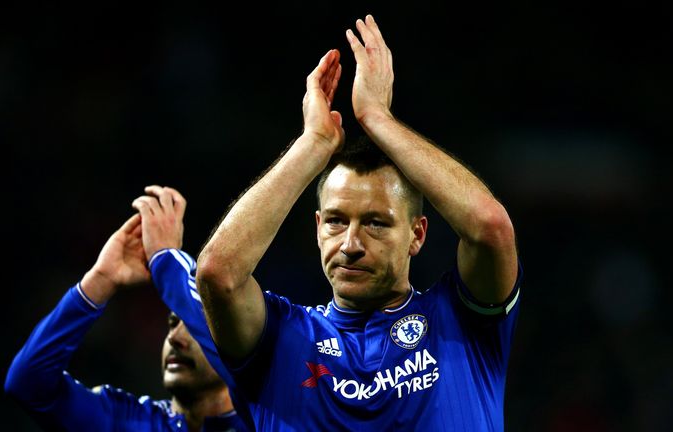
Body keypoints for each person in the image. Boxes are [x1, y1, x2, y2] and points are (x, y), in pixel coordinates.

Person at [194, 14, 523, 431]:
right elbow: (217, 273)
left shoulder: (461, 323)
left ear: (417, 235)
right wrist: (312, 145)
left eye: (375, 224)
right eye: (335, 221)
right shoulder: (280, 339)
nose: (350, 242)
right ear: (316, 228)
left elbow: (490, 227)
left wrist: (377, 119)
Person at [4, 188, 249, 432]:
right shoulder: (126, 421)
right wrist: (101, 279)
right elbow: (28, 383)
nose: (175, 338)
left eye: (195, 326)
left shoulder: (269, 417)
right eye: (173, 323)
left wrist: (166, 262)